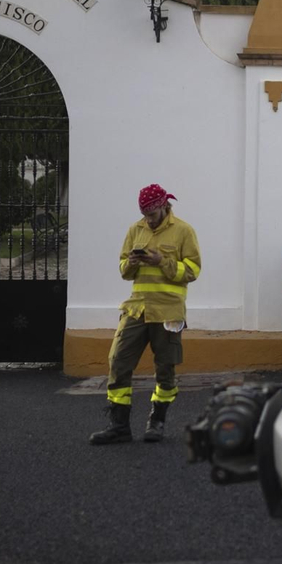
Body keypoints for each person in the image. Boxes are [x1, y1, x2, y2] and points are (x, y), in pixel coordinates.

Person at [89, 184, 202, 445]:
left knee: (165, 369)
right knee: (118, 360)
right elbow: (123, 270)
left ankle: (157, 421)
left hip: (169, 310)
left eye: (151, 214)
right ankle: (119, 426)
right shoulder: (135, 230)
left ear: (163, 206)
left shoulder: (183, 231)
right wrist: (130, 263)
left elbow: (193, 270)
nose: (148, 219)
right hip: (137, 308)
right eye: (144, 214)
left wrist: (162, 262)